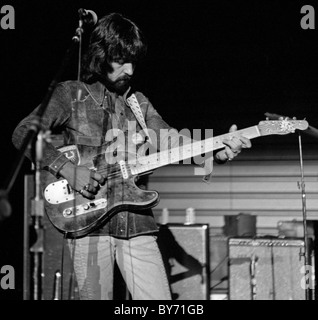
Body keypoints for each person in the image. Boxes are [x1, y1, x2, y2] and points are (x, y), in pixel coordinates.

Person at [12, 12, 251, 300]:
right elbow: (22, 132)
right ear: (100, 56)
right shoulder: (70, 95)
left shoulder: (140, 104)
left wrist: (219, 152)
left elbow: (174, 144)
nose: (130, 70)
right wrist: (68, 170)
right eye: (121, 60)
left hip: (136, 222)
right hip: (87, 224)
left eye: (133, 61)